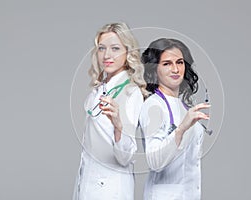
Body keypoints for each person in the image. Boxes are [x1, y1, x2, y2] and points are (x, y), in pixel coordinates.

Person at [73, 22, 148, 200]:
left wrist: (118, 126)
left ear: (128, 52)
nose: (107, 55)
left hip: (111, 188)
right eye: (101, 48)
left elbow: (126, 157)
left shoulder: (131, 92)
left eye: (115, 48)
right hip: (88, 183)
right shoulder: (99, 89)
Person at [140, 38, 211, 200]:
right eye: (166, 64)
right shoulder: (153, 106)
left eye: (179, 62)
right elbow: (154, 162)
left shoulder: (183, 105)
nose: (175, 69)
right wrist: (181, 129)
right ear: (154, 69)